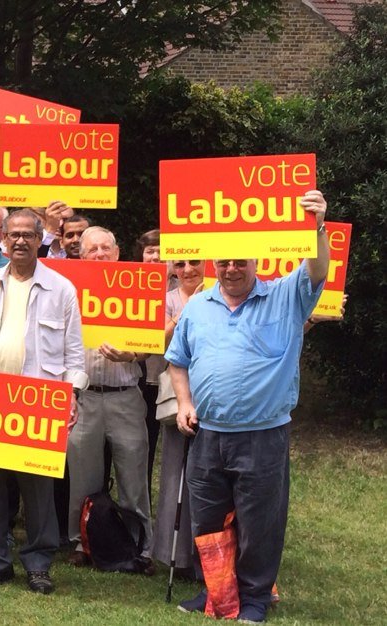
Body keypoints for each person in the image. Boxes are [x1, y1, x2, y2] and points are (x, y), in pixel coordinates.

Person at [168, 191, 329, 623]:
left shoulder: (286, 296)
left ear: (256, 261)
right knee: (208, 519)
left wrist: (316, 226)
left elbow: (317, 269)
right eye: (224, 262)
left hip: (263, 433)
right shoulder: (198, 306)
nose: (232, 269)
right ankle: (216, 592)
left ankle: (255, 596)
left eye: (240, 261)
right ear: (213, 264)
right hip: (208, 433)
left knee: (261, 521)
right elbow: (177, 360)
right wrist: (183, 403)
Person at [0, 208, 88, 594]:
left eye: (28, 234)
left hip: (36, 405)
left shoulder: (62, 290)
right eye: (15, 235)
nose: (21, 240)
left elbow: (75, 356)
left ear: (40, 239)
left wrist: (71, 396)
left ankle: (39, 565)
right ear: (5, 241)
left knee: (38, 489)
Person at [65, 227, 153, 570]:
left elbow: (152, 343)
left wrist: (133, 354)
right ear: (81, 255)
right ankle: (82, 542)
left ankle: (140, 546)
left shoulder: (137, 287)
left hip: (125, 396)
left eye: (106, 248)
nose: (100, 254)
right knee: (82, 477)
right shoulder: (68, 290)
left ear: (117, 252)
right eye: (93, 249)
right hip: (84, 398)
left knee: (133, 475)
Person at [151, 256, 205, 578]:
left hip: (215, 395)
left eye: (194, 261)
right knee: (176, 475)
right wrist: (185, 312)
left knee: (210, 479)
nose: (187, 269)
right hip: (178, 397)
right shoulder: (167, 299)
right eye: (180, 263)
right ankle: (176, 556)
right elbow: (155, 341)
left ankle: (210, 556)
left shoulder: (221, 293)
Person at [135, 229, 165, 487]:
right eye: (150, 251)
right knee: (142, 443)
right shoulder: (129, 284)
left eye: (160, 251)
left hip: (172, 377)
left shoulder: (184, 286)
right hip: (143, 379)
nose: (155, 256)